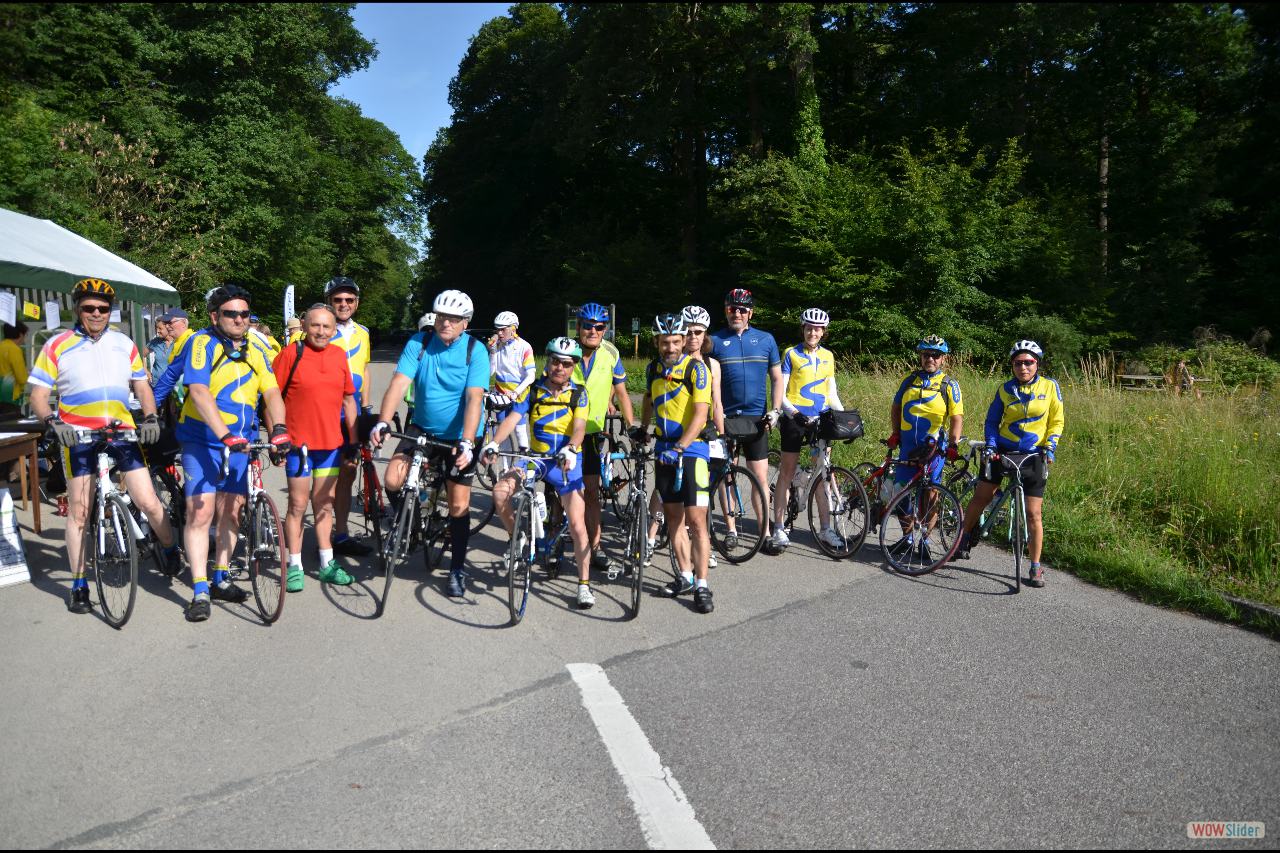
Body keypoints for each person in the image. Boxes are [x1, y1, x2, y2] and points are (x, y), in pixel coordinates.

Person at [26, 278, 180, 615]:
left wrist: (150, 417)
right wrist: (52, 421)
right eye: (89, 308)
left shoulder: (124, 343)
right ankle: (79, 585)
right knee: (80, 512)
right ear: (77, 309)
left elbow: (141, 385)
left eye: (103, 308)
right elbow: (38, 395)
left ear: (111, 311)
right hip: (77, 436)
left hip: (121, 432)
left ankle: (169, 547)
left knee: (149, 502)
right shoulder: (57, 345)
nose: (96, 313)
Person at [175, 285, 291, 622]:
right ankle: (199, 590)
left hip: (241, 441)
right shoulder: (202, 343)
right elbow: (198, 390)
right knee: (201, 513)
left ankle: (221, 576)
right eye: (231, 314)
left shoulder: (255, 346)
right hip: (202, 440)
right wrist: (224, 434)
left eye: (244, 314)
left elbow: (272, 391)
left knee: (232, 511)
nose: (239, 319)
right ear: (215, 316)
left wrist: (279, 428)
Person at [370, 289, 488, 598]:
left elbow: (475, 398)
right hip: (422, 427)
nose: (445, 323)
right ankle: (411, 525)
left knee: (459, 505)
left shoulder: (475, 351)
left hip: (460, 435)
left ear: (465, 323)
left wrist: (467, 442)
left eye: (453, 319)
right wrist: (383, 421)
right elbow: (399, 383)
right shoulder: (419, 343)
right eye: (441, 316)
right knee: (392, 480)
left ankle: (457, 569)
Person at [483, 337, 596, 608]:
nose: (560, 368)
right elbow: (513, 419)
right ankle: (518, 537)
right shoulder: (533, 390)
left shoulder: (579, 393)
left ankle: (583, 585)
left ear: (573, 367)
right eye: (555, 361)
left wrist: (571, 448)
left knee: (578, 525)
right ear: (548, 361)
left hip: (566, 460)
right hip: (536, 459)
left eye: (566, 364)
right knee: (500, 492)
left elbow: (580, 427)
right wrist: (494, 442)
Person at [952, 340, 1064, 588]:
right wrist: (991, 445)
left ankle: (1035, 566)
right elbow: (992, 421)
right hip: (1002, 451)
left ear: (1037, 364)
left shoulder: (1050, 386)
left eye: (1028, 362)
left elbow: (1057, 420)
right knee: (981, 496)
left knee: (1034, 514)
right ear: (1012, 365)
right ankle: (964, 536)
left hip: (1034, 455)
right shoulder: (1005, 389)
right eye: (1017, 363)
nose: (1023, 367)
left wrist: (1050, 447)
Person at [273, 304, 359, 592]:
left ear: (334, 330)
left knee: (324, 504)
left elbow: (349, 400)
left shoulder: (338, 355)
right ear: (305, 326)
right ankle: (294, 565)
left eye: (326, 327)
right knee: (298, 505)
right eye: (315, 325)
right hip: (299, 446)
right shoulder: (291, 354)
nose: (321, 332)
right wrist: (276, 434)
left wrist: (353, 441)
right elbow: (272, 397)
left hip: (330, 446)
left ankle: (326, 563)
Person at [639, 312, 714, 614]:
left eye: (674, 342)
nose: (669, 347)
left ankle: (702, 584)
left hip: (693, 450)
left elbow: (701, 414)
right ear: (656, 342)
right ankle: (684, 576)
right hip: (664, 449)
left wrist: (681, 447)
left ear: (683, 341)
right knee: (673, 519)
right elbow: (648, 399)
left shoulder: (697, 369)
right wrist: (643, 429)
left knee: (696, 521)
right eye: (664, 342)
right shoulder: (653, 368)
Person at [709, 289, 784, 552]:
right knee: (725, 474)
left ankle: (765, 533)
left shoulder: (766, 339)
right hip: (726, 417)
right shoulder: (714, 340)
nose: (737, 314)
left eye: (742, 310)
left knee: (760, 478)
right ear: (726, 311)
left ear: (750, 313)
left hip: (757, 419)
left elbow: (777, 378)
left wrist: (776, 410)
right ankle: (731, 530)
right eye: (732, 309)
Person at [771, 308, 848, 551]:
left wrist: (845, 417)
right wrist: (794, 414)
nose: (812, 332)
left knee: (823, 473)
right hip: (795, 417)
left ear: (823, 332)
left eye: (817, 329)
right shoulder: (791, 353)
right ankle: (779, 527)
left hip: (820, 419)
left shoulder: (828, 356)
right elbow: (781, 392)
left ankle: (825, 529)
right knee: (786, 471)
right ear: (803, 329)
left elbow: (831, 393)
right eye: (808, 328)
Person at [883, 334, 964, 562]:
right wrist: (895, 433)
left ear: (943, 359)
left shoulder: (949, 384)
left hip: (933, 449)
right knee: (901, 491)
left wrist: (953, 444)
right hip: (908, 445)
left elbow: (956, 417)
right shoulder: (910, 380)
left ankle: (925, 541)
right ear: (921, 356)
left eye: (936, 355)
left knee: (931, 494)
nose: (931, 359)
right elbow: (896, 407)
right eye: (926, 354)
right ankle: (908, 537)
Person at [571, 302, 636, 574]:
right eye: (588, 326)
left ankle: (595, 547)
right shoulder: (567, 349)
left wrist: (632, 428)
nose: (593, 331)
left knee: (591, 492)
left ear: (605, 329)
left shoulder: (610, 353)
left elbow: (622, 393)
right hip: (564, 432)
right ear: (579, 327)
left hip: (593, 432)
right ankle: (554, 541)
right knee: (561, 491)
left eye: (599, 327)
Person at [326, 276, 374, 557]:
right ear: (329, 302)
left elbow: (364, 369)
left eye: (349, 300)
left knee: (348, 472)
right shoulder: (318, 328)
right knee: (325, 476)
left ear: (356, 303)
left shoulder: (362, 333)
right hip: (325, 413)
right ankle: (323, 537)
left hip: (351, 413)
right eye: (338, 299)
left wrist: (366, 407)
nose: (343, 304)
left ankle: (341, 534)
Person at [487, 311, 535, 454]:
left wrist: (516, 392)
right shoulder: (497, 346)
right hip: (501, 392)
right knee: (501, 429)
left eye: (503, 329)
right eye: (497, 329)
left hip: (519, 394)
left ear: (513, 329)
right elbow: (491, 371)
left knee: (519, 428)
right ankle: (505, 464)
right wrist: (492, 353)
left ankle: (524, 460)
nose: (499, 333)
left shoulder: (524, 347)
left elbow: (531, 376)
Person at [0, 321, 29, 407]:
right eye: (25, 335)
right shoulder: (14, 349)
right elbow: (21, 378)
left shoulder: (1, 346)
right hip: (9, 394)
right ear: (20, 334)